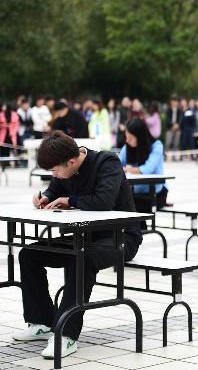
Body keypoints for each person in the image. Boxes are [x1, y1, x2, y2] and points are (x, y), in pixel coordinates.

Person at [14, 131, 142, 359]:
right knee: (29, 254)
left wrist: (70, 200)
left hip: (120, 237)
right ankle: (41, 322)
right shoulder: (66, 167)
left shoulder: (107, 162)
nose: (54, 175)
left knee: (83, 258)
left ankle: (66, 335)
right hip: (83, 236)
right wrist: (46, 197)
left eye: (55, 171)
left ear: (71, 162)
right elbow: (55, 188)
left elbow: (104, 201)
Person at [119, 118, 168, 212]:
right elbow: (117, 164)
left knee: (129, 207)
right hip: (134, 193)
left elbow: (147, 169)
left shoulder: (156, 146)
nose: (127, 140)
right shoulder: (127, 147)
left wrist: (127, 169)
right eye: (126, 137)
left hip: (155, 194)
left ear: (140, 137)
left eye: (131, 138)